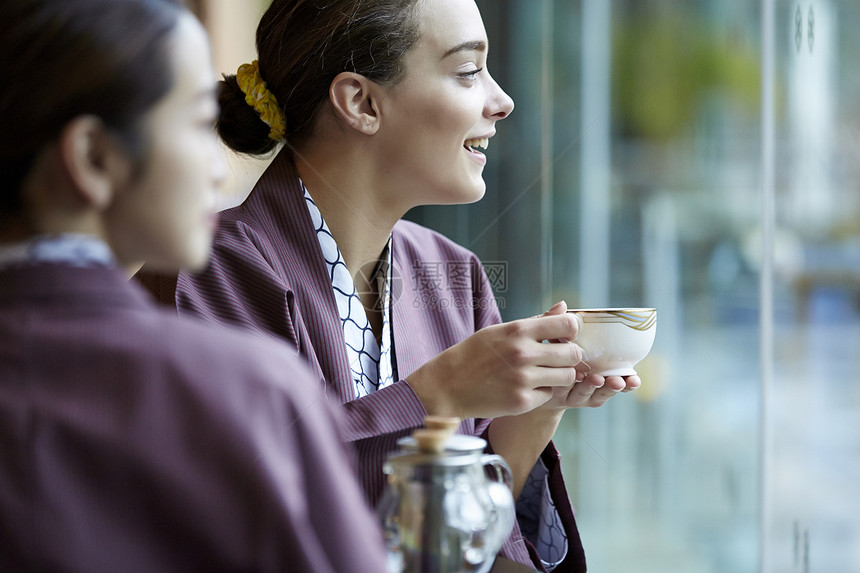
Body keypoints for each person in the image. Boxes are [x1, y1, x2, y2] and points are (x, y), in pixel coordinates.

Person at [138, 0, 640, 570]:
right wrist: (435, 398)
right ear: (361, 102)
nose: (502, 102)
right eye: (468, 71)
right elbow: (237, 519)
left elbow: (474, 556)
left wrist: (528, 420)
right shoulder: (201, 278)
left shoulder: (454, 276)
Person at [0, 1, 389, 571]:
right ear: (93, 156)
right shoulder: (247, 392)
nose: (218, 167)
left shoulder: (451, 271)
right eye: (198, 124)